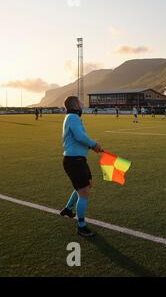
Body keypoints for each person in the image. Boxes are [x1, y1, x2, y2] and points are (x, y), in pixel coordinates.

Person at [60, 96, 102, 237]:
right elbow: (79, 136)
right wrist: (94, 144)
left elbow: (79, 138)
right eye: (80, 102)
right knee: (83, 193)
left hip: (78, 160)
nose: (82, 104)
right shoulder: (73, 117)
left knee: (87, 185)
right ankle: (81, 226)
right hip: (74, 161)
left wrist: (91, 146)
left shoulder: (72, 117)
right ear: (75, 105)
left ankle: (67, 208)